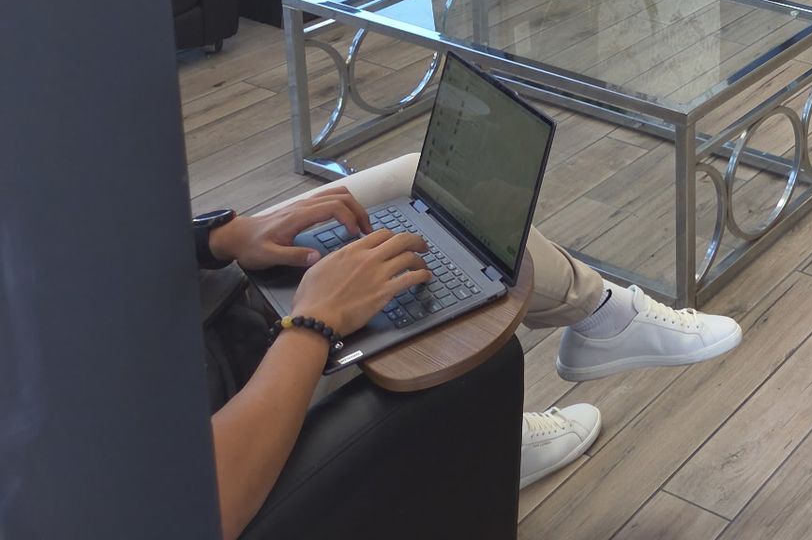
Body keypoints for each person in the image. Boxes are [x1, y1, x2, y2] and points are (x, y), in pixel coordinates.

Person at [197, 154, 740, 540]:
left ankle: (602, 315)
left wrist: (217, 239)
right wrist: (314, 322)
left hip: (206, 306)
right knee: (442, 289)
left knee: (421, 184)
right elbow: (204, 507)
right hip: (236, 390)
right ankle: (490, 432)